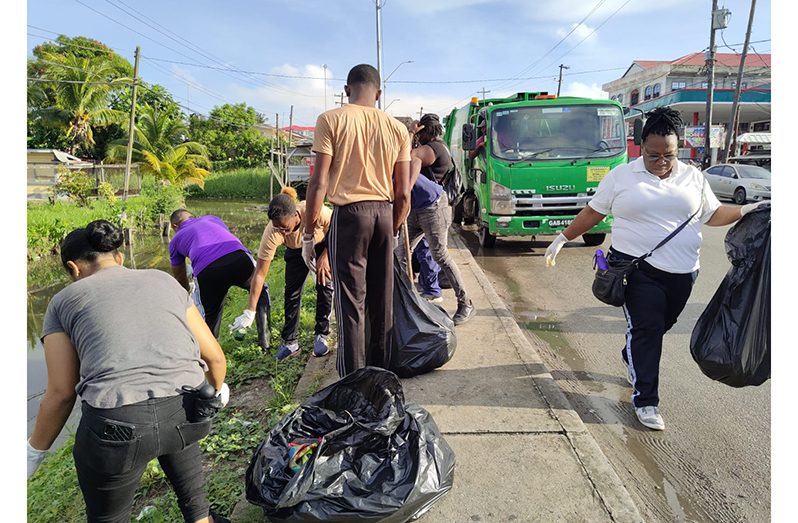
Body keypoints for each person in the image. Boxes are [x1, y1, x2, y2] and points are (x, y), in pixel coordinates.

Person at [543, 107, 768, 431]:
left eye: (669, 155)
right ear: (641, 147)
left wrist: (746, 209)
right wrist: (562, 238)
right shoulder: (621, 176)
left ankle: (632, 352)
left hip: (684, 274)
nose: (662, 163)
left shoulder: (692, 177)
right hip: (637, 271)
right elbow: (593, 212)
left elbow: (712, 214)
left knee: (658, 326)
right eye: (653, 156)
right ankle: (646, 400)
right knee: (648, 331)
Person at [27, 220, 230, 523]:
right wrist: (216, 389)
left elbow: (61, 392)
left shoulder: (62, 302)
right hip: (185, 411)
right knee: (195, 502)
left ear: (73, 268)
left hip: (116, 430)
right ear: (118, 258)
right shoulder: (164, 280)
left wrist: (34, 453)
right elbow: (214, 358)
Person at [303, 63, 412, 378]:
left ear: (347, 90)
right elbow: (403, 193)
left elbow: (319, 183)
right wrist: (390, 231)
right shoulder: (397, 128)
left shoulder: (331, 119)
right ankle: (381, 377)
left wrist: (309, 236)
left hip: (350, 216)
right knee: (382, 303)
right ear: (378, 94)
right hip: (384, 213)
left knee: (351, 304)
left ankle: (354, 383)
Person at [229, 187, 334, 361]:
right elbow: (260, 274)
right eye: (278, 229)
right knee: (291, 293)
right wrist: (250, 310)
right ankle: (290, 342)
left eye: (285, 228)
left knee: (325, 285)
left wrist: (326, 256)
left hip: (322, 244)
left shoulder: (315, 211)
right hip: (295, 251)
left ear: (295, 216)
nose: (281, 232)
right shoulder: (273, 231)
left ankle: (322, 334)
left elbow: (337, 226)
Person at [406, 113, 476, 324]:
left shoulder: (434, 148)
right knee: (401, 251)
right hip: (418, 207)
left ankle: (466, 303)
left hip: (435, 207)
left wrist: (410, 133)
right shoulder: (431, 146)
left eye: (420, 131)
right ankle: (406, 299)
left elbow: (411, 157)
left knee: (439, 254)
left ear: (424, 130)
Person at [169, 209, 270, 348]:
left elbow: (179, 274)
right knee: (260, 291)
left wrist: (186, 292)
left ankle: (212, 355)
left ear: (175, 226)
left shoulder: (175, 240)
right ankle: (265, 341)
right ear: (193, 216)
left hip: (208, 271)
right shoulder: (211, 218)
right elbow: (223, 236)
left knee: (211, 315)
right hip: (237, 257)